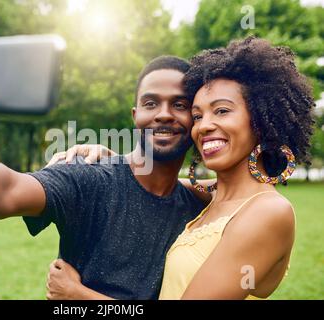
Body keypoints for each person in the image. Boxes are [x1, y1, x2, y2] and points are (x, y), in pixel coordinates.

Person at [0, 27, 211, 299]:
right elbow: (5, 190)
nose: (165, 114)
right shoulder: (90, 178)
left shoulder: (197, 207)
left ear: (195, 117)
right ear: (136, 115)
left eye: (179, 104)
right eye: (151, 103)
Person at [45, 36, 315, 299]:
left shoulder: (268, 211)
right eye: (197, 115)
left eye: (221, 111)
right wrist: (115, 160)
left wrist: (77, 294)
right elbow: (150, 183)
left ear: (260, 120)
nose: (204, 125)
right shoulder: (215, 196)